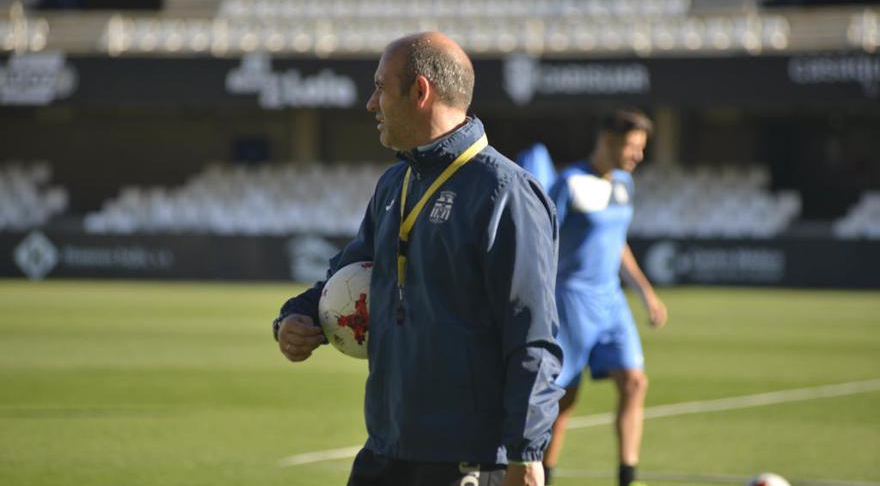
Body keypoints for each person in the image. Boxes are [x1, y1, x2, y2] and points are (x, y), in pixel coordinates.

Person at [273, 32, 564, 486]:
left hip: (466, 459)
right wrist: (297, 316)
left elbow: (531, 336)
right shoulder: (395, 184)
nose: (371, 104)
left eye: (380, 87)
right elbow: (348, 272)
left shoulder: (506, 194)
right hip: (387, 447)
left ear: (420, 92)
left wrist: (526, 454)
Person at [541, 109, 668, 486]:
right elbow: (541, 242)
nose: (638, 156)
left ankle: (628, 477)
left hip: (611, 301)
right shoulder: (569, 183)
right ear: (608, 141)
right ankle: (542, 476)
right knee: (563, 402)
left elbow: (617, 244)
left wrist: (646, 293)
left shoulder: (625, 183)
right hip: (571, 302)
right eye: (633, 146)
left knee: (634, 381)